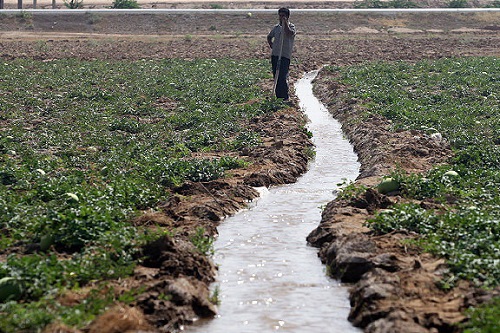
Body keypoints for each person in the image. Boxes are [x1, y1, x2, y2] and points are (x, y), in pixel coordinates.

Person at [267, 7, 296, 101]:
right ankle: (278, 96)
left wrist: (285, 24)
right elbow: (269, 36)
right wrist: (271, 44)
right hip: (275, 55)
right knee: (276, 75)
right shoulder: (276, 28)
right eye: (280, 15)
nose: (281, 17)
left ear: (287, 16)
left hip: (285, 56)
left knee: (282, 76)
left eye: (283, 16)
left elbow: (289, 33)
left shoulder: (291, 27)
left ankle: (285, 97)